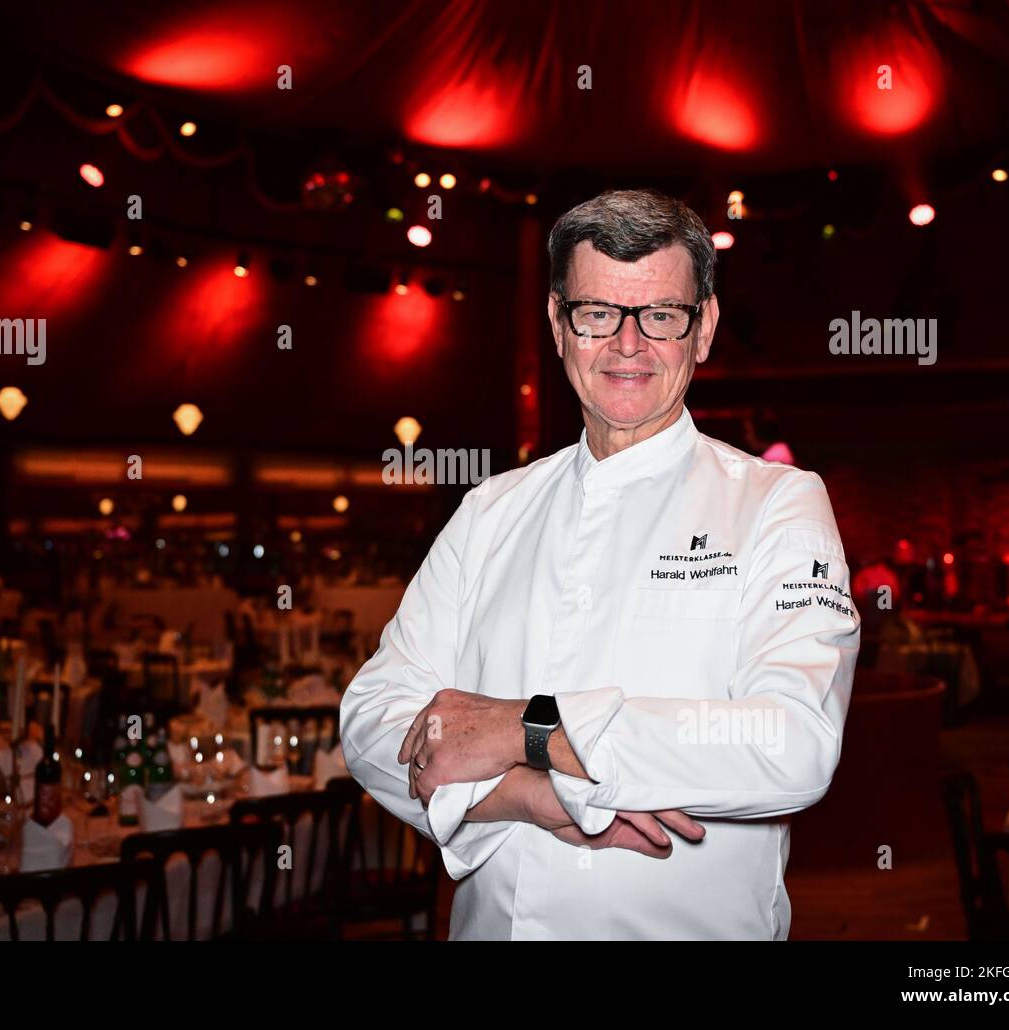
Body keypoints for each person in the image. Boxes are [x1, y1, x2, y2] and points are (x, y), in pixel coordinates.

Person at [340, 189, 860, 940]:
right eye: (597, 314)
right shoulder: (491, 510)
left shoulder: (779, 503)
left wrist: (530, 728)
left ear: (703, 327)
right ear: (558, 324)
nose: (628, 344)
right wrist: (520, 793)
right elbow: (369, 720)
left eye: (661, 315)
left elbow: (794, 746)